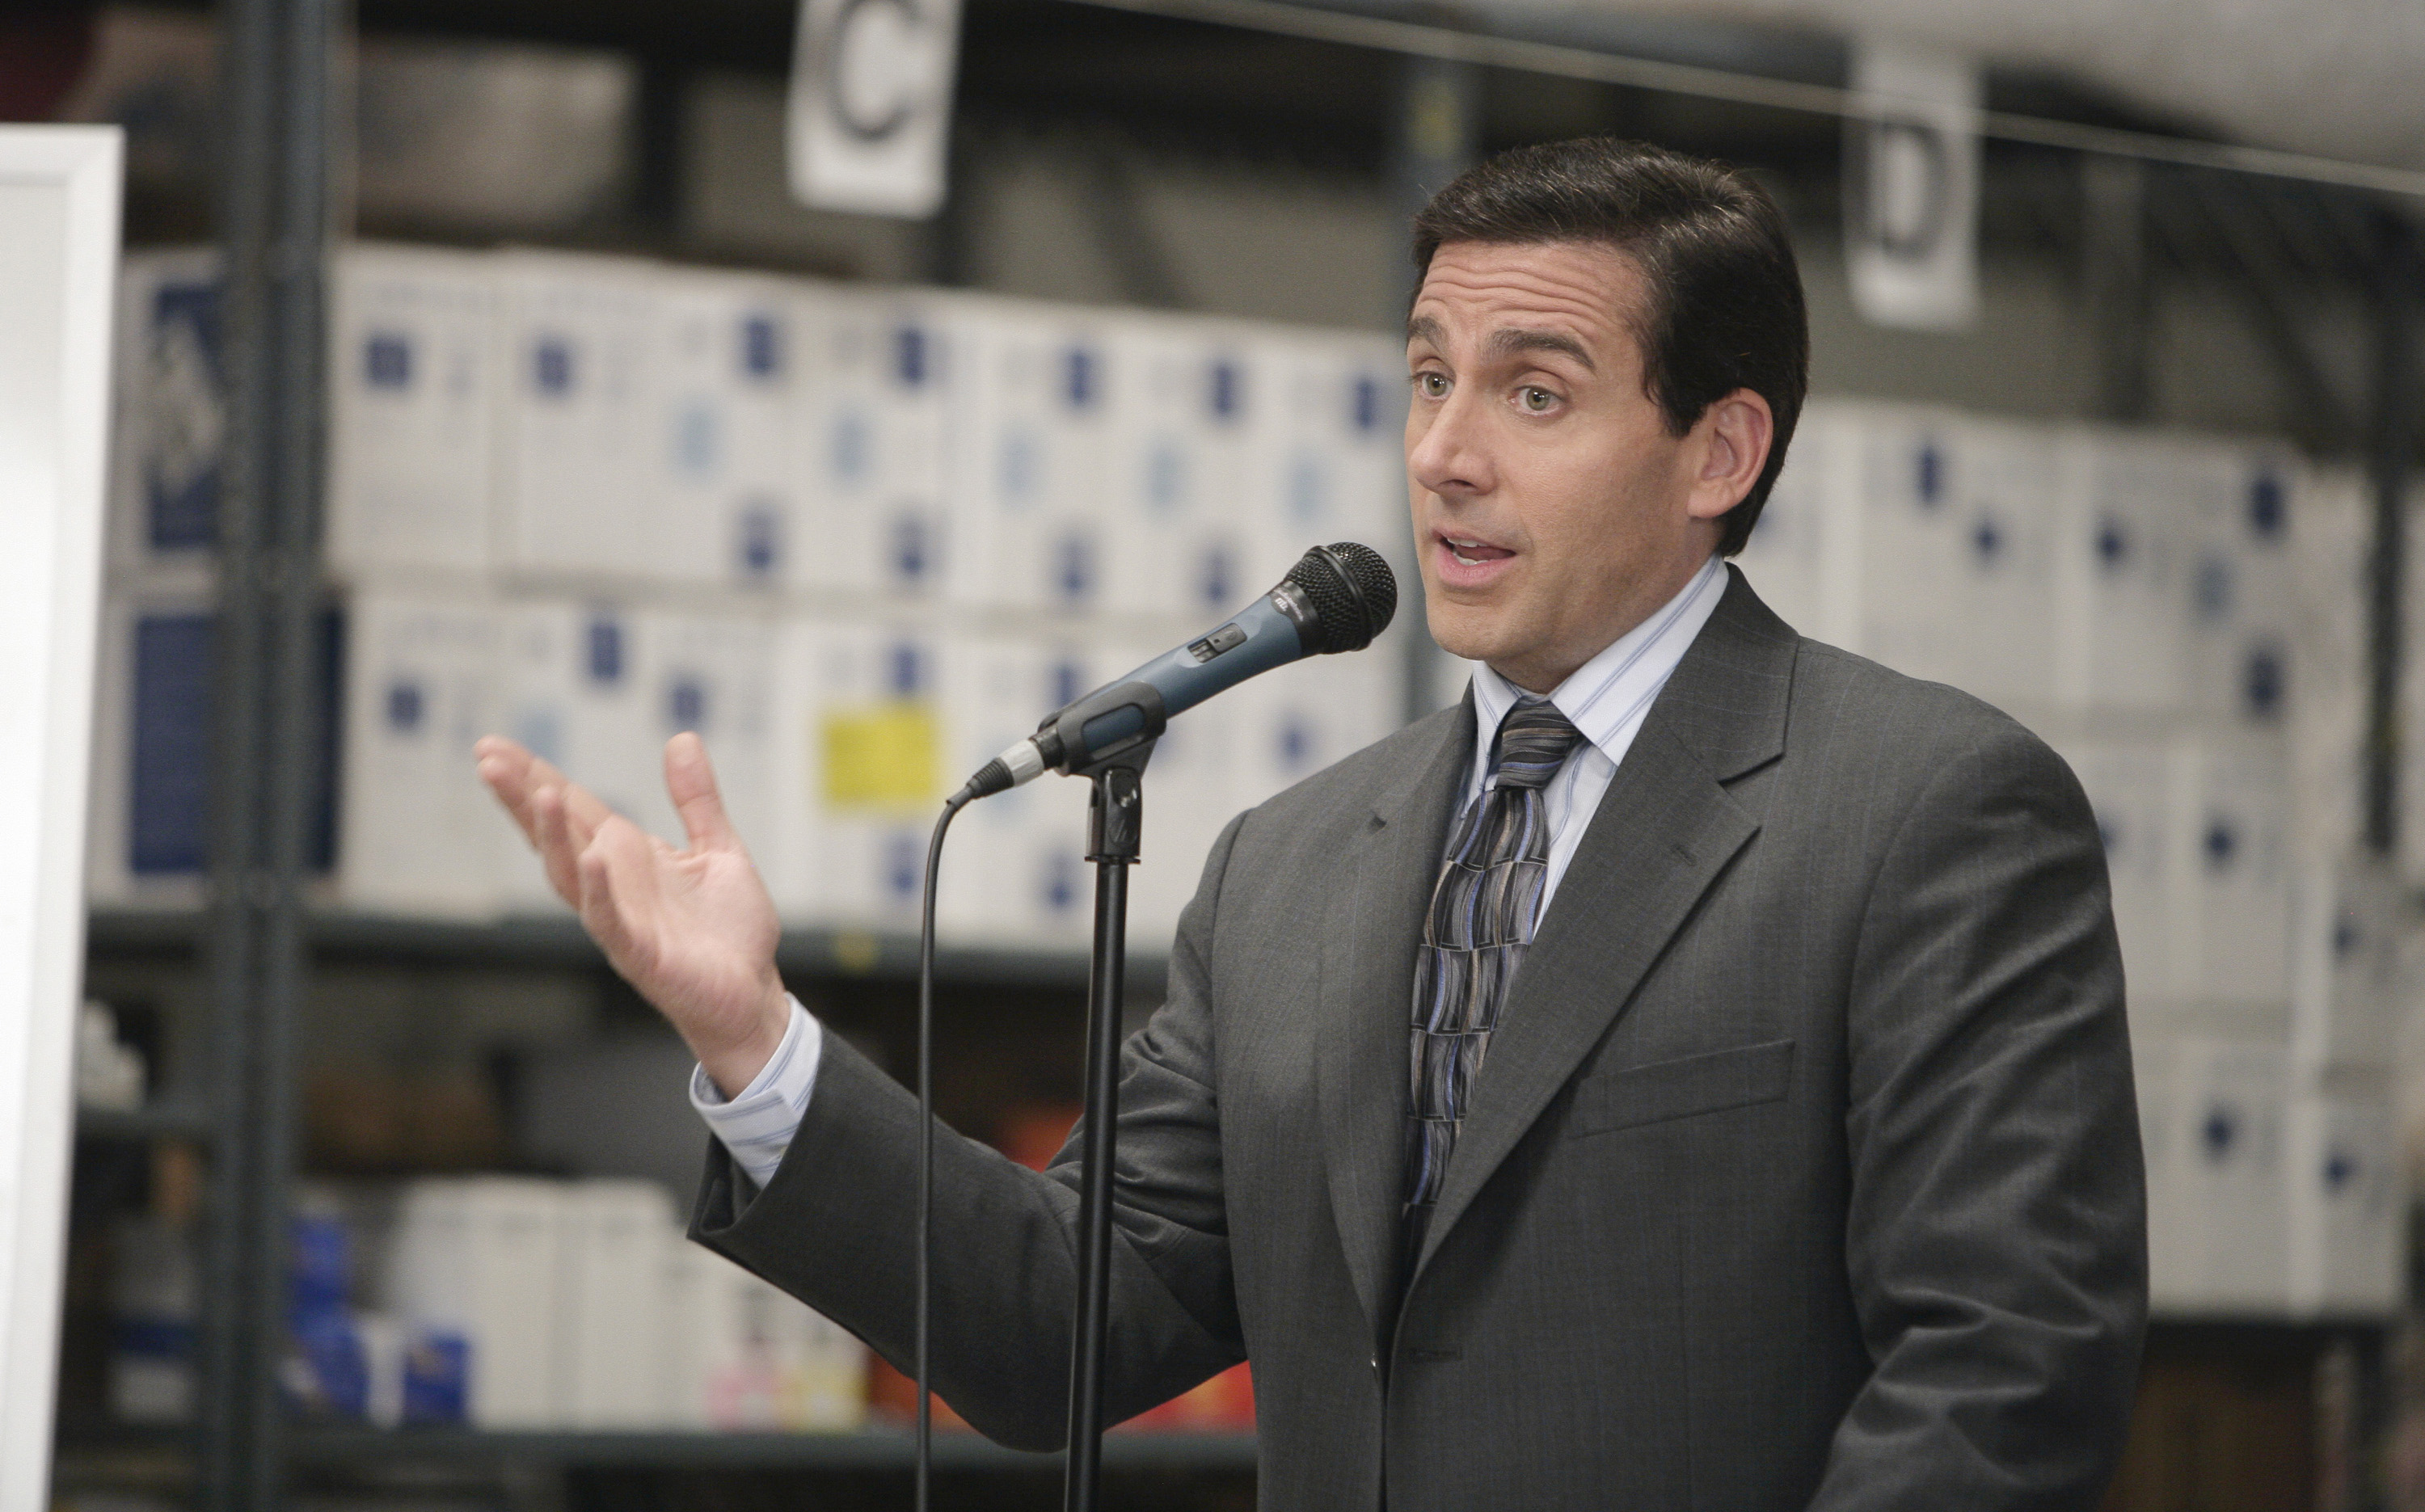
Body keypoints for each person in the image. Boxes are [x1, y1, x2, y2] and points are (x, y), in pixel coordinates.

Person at [478, 137, 2145, 1510]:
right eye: (1427, 378)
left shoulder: (1924, 811)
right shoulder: (1286, 869)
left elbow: (2005, 1375)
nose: (1445, 455)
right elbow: (1062, 1319)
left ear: (1720, 450)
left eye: (1535, 395)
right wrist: (756, 1040)